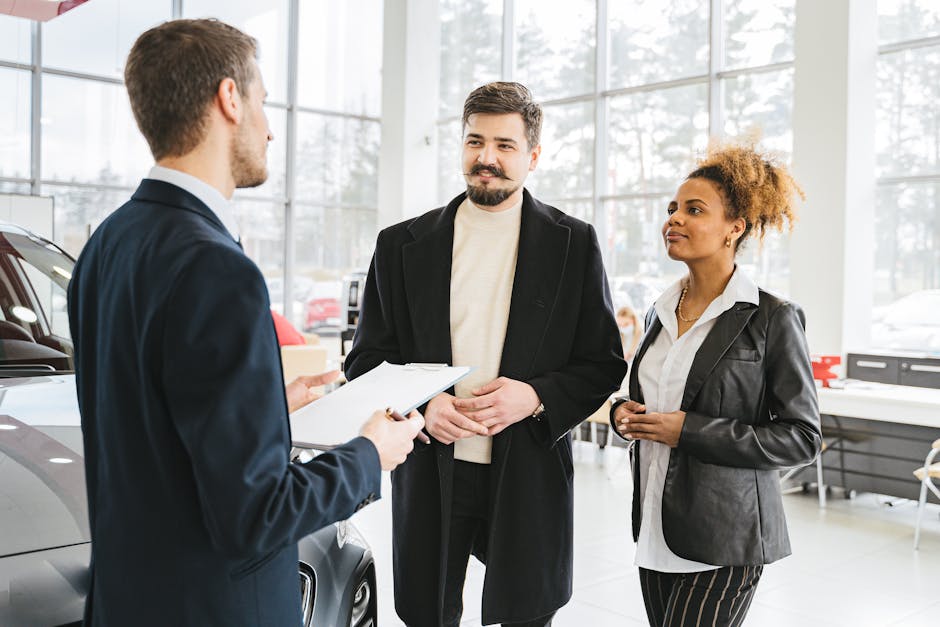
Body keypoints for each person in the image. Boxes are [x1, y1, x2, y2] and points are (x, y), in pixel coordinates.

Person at [67, 19, 423, 626]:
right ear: (229, 98)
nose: (269, 126)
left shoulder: (108, 243)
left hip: (130, 600)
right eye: (262, 101)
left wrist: (265, 412)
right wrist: (372, 451)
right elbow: (257, 515)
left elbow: (145, 431)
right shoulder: (216, 268)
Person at [345, 81, 627, 627]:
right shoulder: (401, 244)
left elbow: (602, 362)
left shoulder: (574, 243)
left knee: (526, 612)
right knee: (428, 613)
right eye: (475, 142)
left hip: (527, 470)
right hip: (432, 467)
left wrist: (535, 396)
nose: (487, 159)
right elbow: (365, 361)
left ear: (533, 155)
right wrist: (423, 406)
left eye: (504, 145)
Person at [610, 142, 822, 627]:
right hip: (656, 528)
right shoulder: (659, 312)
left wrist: (689, 431)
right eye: (672, 209)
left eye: (694, 210)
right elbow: (657, 400)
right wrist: (625, 413)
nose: (674, 220)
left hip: (725, 538)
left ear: (735, 228)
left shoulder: (773, 318)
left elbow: (802, 437)